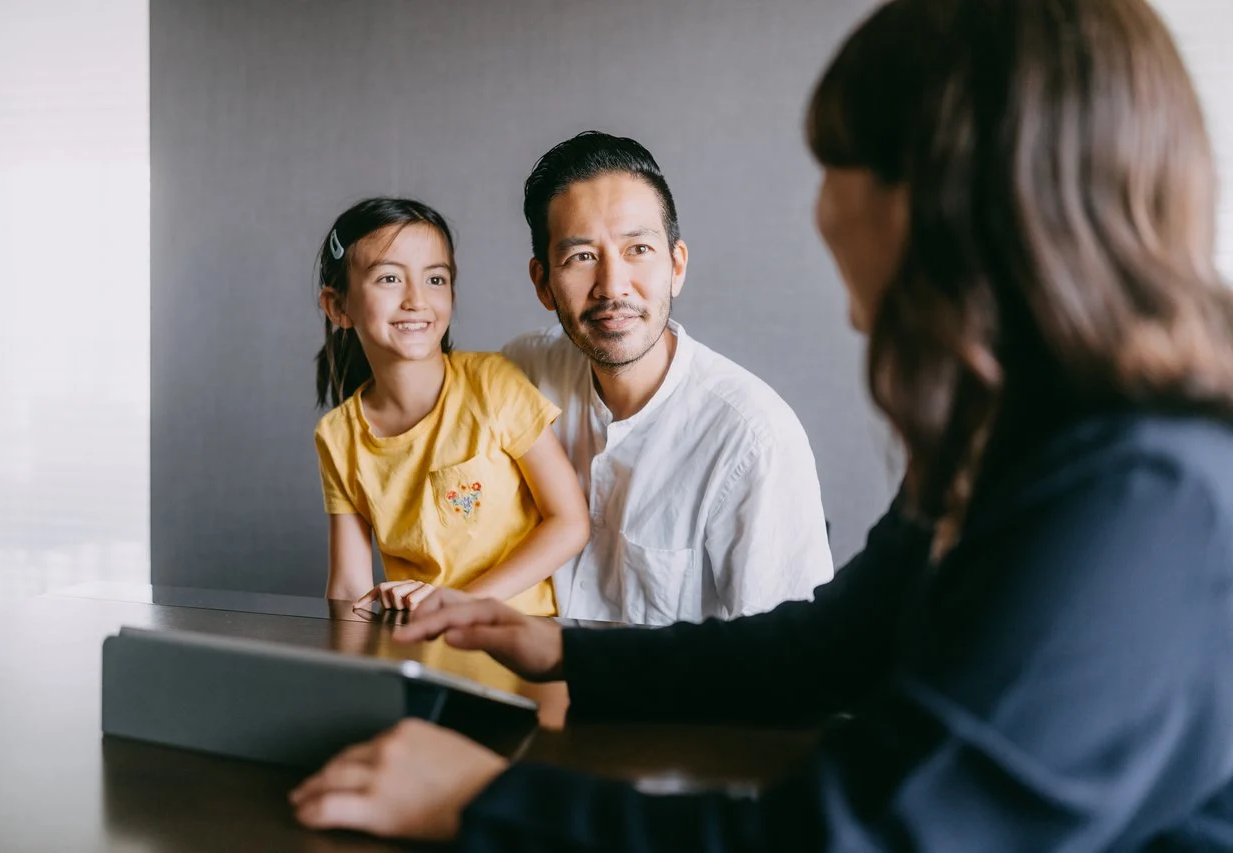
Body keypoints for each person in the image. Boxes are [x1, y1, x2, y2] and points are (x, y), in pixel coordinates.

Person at [291, 0, 1233, 848]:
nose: (821, 211)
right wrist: (559, 645)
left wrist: (485, 805)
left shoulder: (1142, 491)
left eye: (841, 167)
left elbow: (875, 834)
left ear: (946, 195)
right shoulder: (1008, 432)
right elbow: (832, 645)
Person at [501, 131, 835, 625]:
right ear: (543, 284)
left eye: (637, 248)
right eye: (581, 257)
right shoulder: (521, 375)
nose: (612, 287)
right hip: (522, 696)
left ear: (676, 266)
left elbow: (789, 664)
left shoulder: (753, 438)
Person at [312, 198, 589, 616]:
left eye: (435, 280)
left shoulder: (494, 384)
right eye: (389, 278)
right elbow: (349, 584)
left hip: (523, 643)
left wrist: (460, 603)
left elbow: (569, 523)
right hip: (422, 646)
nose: (416, 300)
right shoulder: (337, 436)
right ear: (338, 306)